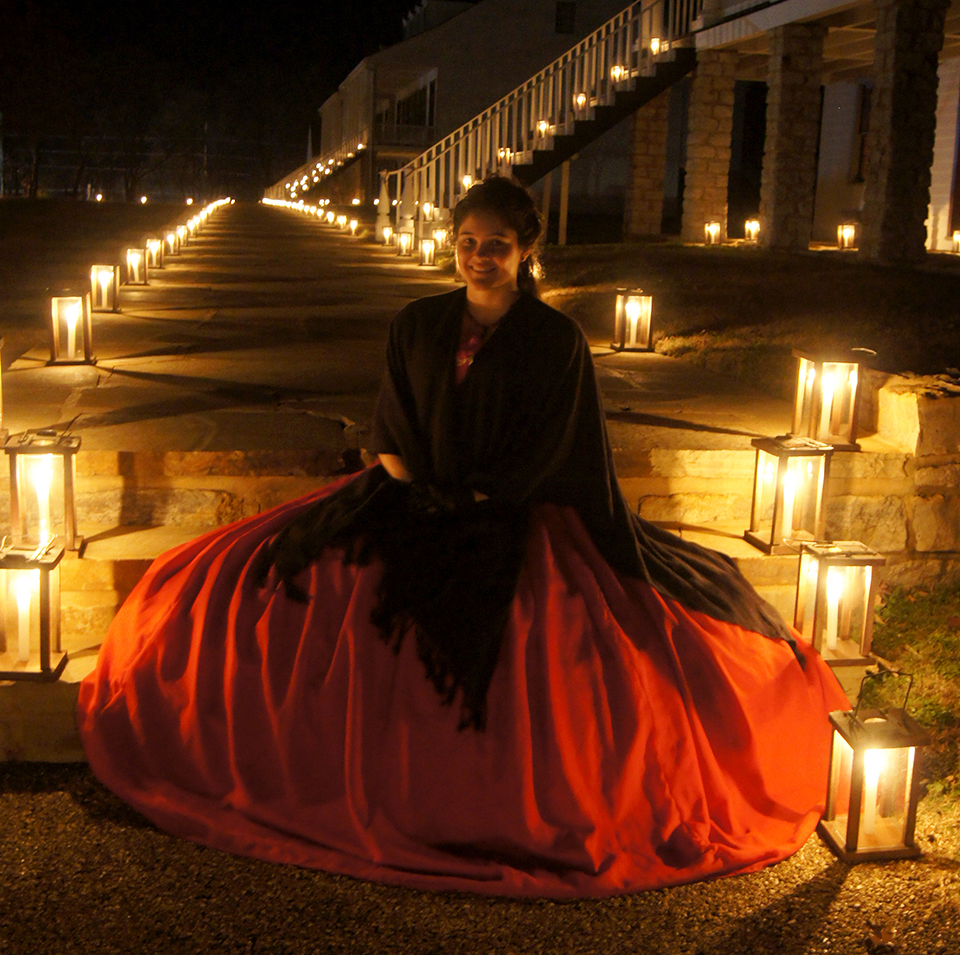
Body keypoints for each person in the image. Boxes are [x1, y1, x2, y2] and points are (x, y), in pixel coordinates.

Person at [78, 177, 846, 899]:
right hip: (410, 491)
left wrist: (482, 498)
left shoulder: (553, 340)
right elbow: (392, 423)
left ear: (526, 251)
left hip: (512, 508)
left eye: (499, 243)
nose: (481, 255)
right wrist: (417, 489)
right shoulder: (418, 322)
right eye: (469, 240)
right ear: (454, 243)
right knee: (246, 578)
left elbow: (556, 443)